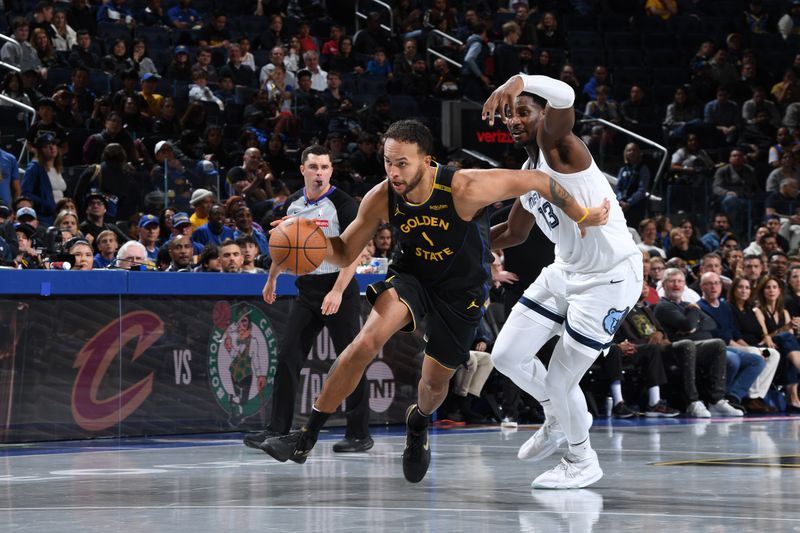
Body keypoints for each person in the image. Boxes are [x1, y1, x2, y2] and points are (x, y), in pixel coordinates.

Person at [259, 120, 609, 483]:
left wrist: (581, 214)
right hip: (413, 277)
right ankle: (306, 437)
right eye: (387, 162)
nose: (393, 172)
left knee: (432, 385)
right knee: (365, 342)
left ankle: (418, 423)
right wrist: (307, 238)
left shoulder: (466, 186)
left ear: (427, 161)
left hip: (462, 292)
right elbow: (345, 250)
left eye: (402, 163)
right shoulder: (381, 196)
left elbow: (540, 181)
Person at [481, 73, 642, 490]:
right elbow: (514, 233)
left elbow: (568, 96)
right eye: (511, 115)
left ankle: (582, 459)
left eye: (524, 112)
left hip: (610, 278)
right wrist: (460, 243)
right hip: (566, 270)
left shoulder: (560, 148)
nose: (515, 120)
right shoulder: (529, 169)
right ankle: (558, 414)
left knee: (560, 376)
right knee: (506, 356)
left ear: (542, 115)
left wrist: (518, 81)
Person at [244, 145, 373, 452]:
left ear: (331, 171)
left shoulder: (343, 204)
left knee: (350, 362)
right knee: (288, 355)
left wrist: (338, 291)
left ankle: (359, 434)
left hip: (339, 288)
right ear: (303, 169)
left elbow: (352, 253)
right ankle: (278, 428)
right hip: (308, 289)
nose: (319, 172)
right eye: (313, 167)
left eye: (325, 167)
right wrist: (272, 278)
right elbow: (284, 245)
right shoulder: (293, 204)